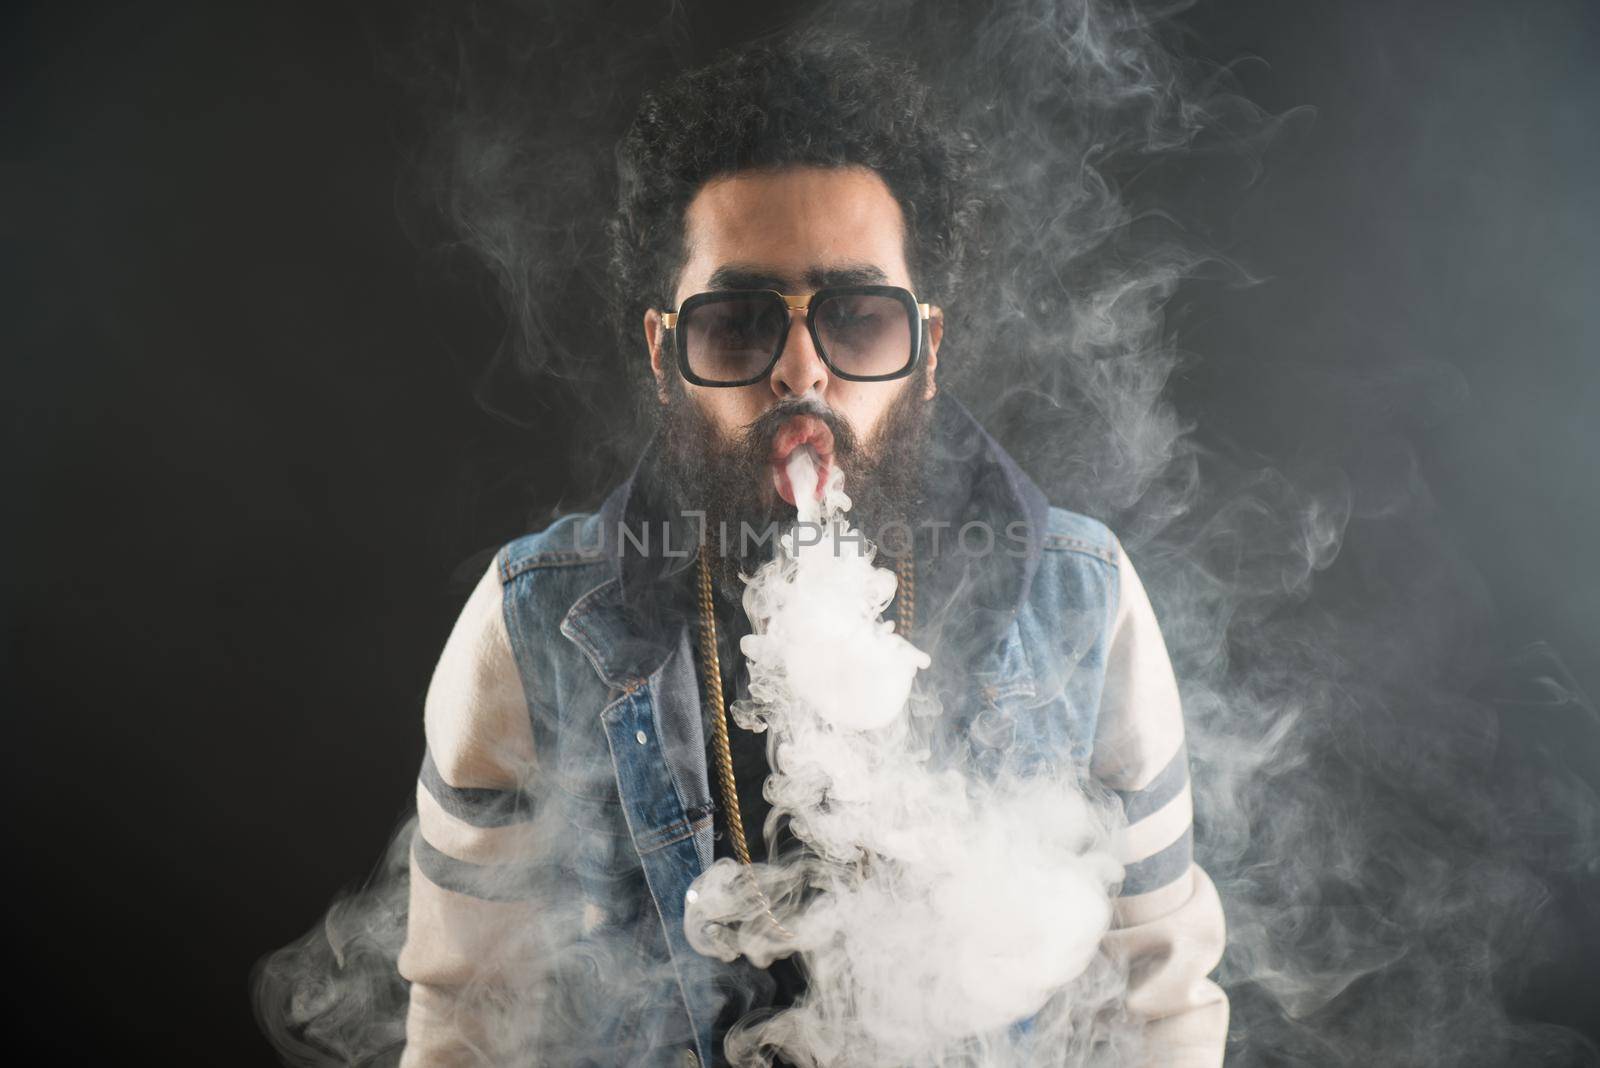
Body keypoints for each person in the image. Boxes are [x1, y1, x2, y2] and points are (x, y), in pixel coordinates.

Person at [397, 34, 1227, 1068]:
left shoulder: (1080, 602)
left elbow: (1158, 1004)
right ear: (666, 354)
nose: (801, 374)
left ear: (926, 352)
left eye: (859, 321)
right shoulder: (532, 627)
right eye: (739, 323)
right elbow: (466, 1022)